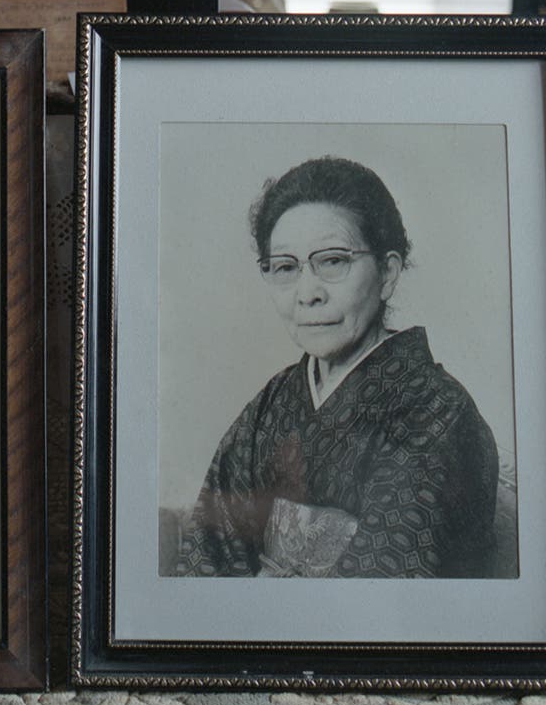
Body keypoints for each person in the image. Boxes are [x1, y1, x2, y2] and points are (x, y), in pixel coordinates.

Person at [173, 156, 501, 579]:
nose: (307, 293)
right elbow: (209, 549)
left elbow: (385, 594)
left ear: (387, 273)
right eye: (286, 268)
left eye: (332, 261)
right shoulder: (273, 402)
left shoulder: (438, 413)